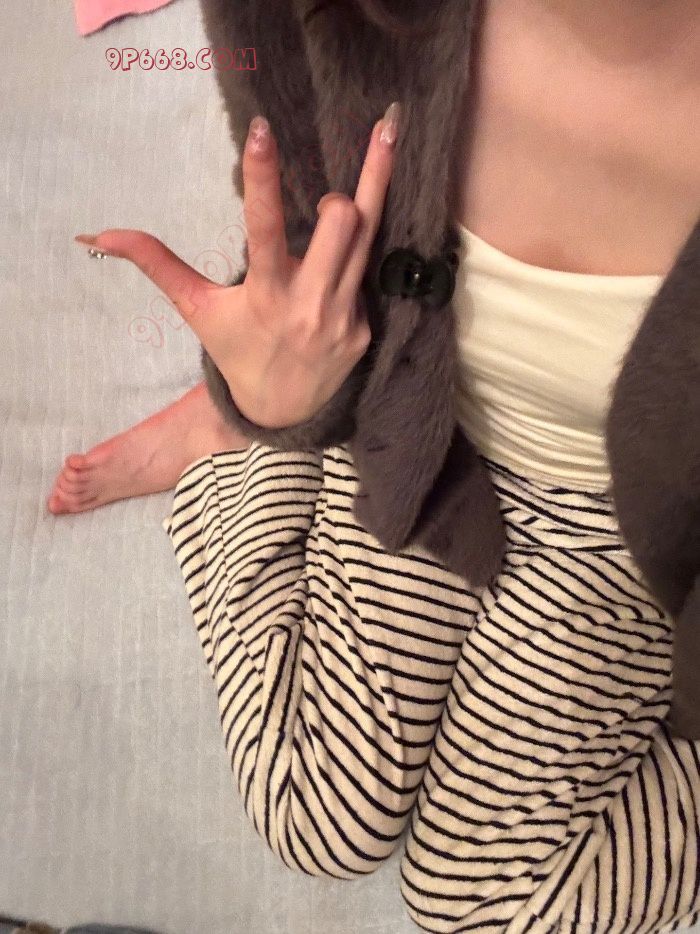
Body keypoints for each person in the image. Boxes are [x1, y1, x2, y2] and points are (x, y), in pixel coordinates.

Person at [47, 0, 700, 931]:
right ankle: (236, 443)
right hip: (424, 437)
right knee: (315, 815)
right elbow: (311, 248)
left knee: (485, 905)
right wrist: (280, 399)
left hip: (635, 532)